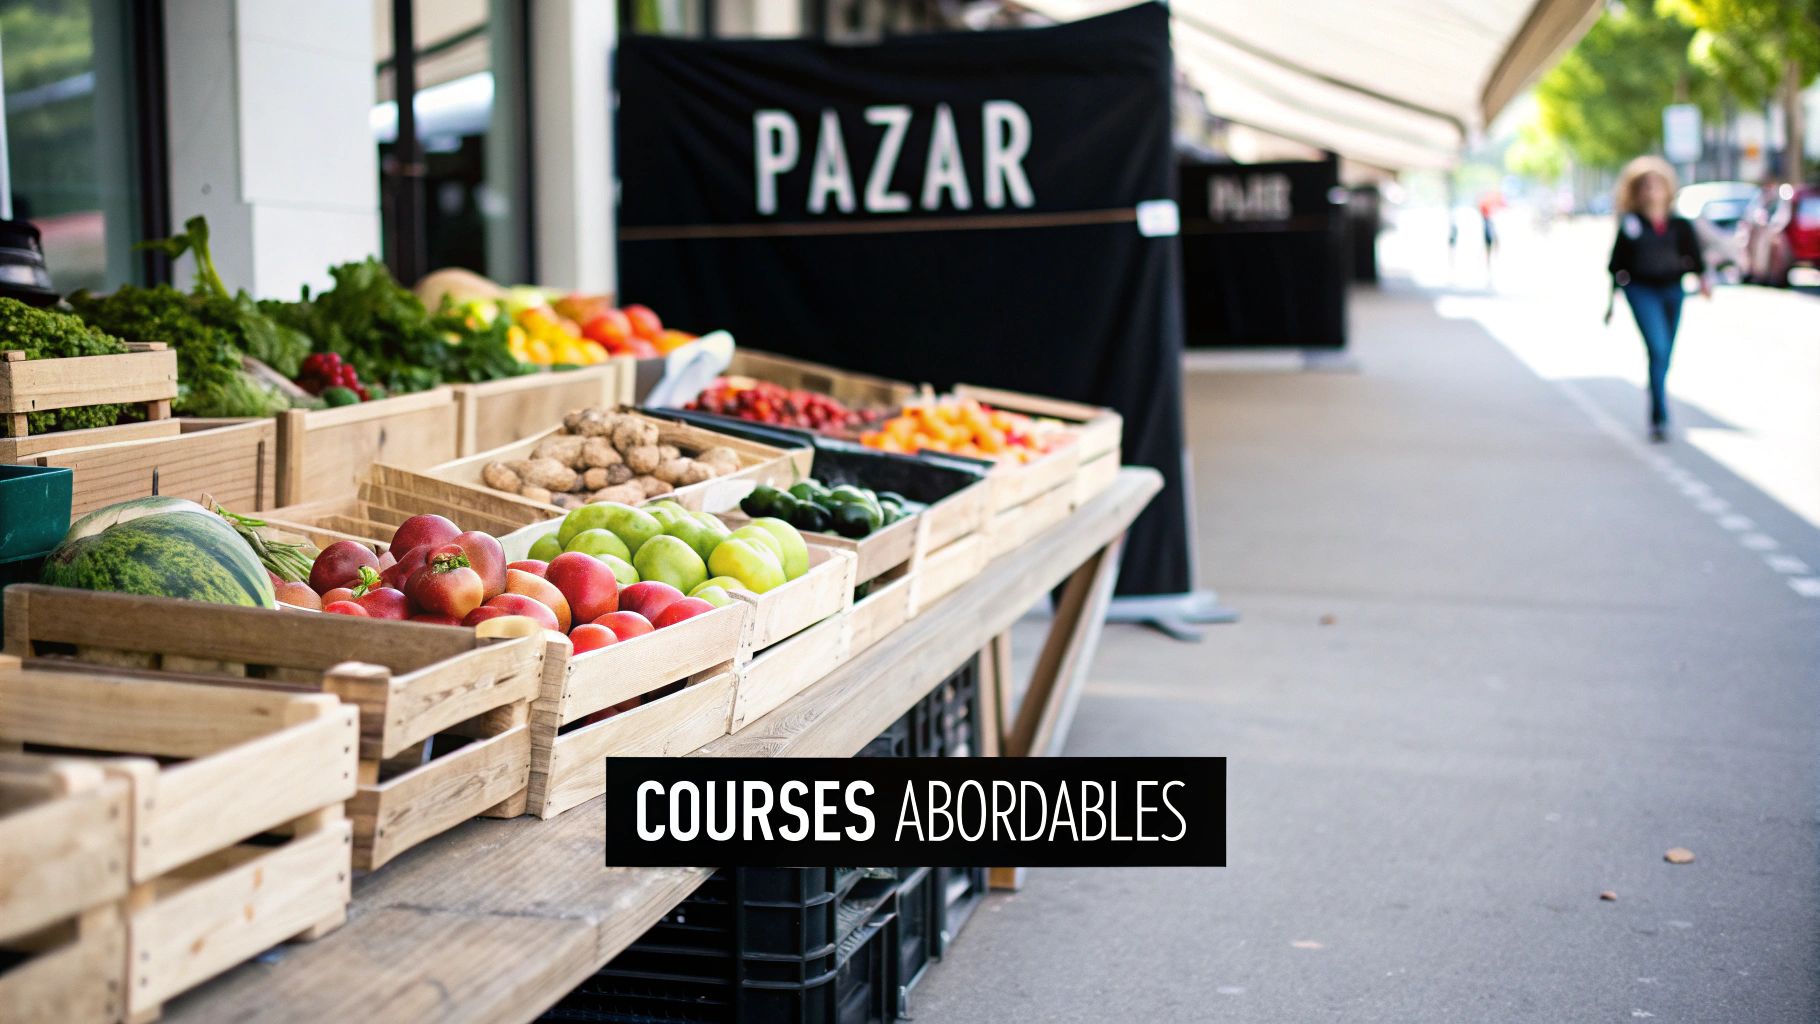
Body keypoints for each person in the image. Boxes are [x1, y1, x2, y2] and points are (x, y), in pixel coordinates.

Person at [1606, 157, 1709, 442]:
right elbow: (1616, 263)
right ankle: (1659, 413)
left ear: (1667, 188)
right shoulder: (1632, 224)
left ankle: (1656, 392)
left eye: (1657, 185)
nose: (1652, 191)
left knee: (1664, 354)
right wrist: (1611, 301)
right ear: (1636, 192)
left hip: (1673, 289)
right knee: (1658, 347)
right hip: (1641, 290)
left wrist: (1703, 280)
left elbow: (1695, 257)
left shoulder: (1679, 224)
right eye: (1645, 186)